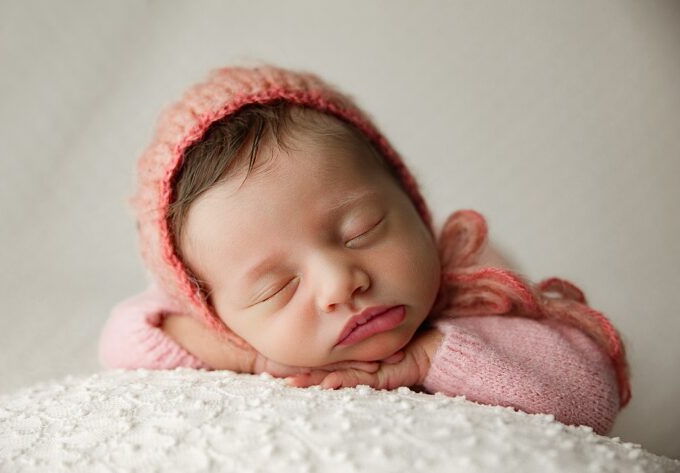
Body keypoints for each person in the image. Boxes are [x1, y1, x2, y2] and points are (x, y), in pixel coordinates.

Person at [99, 64, 629, 435]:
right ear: (217, 316)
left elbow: (589, 394)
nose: (340, 282)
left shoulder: (479, 286)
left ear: (413, 204)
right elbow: (126, 337)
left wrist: (429, 356)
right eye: (277, 288)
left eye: (363, 230)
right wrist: (257, 357)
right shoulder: (226, 327)